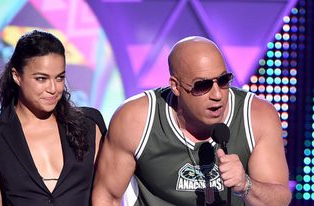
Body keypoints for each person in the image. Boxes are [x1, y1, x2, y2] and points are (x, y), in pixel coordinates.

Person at [92, 36, 291, 205]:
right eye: (202, 85)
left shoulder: (257, 116)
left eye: (223, 81)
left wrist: (245, 184)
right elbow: (107, 196)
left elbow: (280, 199)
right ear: (175, 86)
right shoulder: (135, 119)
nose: (217, 95)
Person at [0, 30, 106, 206]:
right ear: (17, 76)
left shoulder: (89, 124)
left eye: (59, 78)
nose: (53, 88)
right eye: (41, 79)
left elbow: (107, 196)